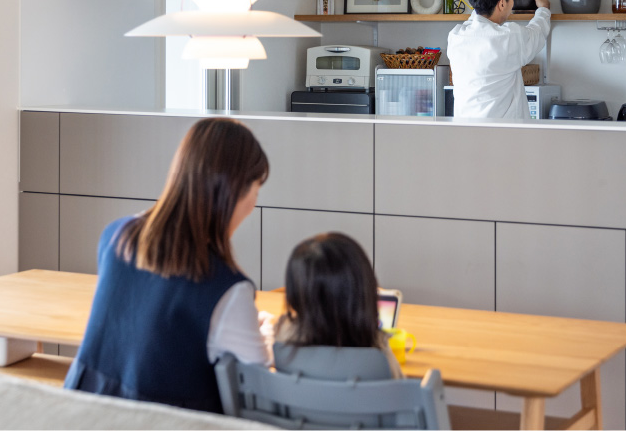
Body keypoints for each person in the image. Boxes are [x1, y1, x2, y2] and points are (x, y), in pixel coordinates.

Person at [63, 117, 271, 413]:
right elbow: (257, 377)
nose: (253, 205)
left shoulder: (114, 235)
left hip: (82, 411)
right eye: (256, 191)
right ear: (234, 192)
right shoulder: (227, 287)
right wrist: (265, 337)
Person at [272, 233, 403, 380]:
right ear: (365, 289)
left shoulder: (282, 341)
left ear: (294, 294)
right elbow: (400, 390)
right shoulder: (378, 356)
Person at [446, 0, 551, 119]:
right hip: (503, 131)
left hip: (466, 129)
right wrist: (544, 10)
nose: (513, 4)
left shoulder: (456, 36)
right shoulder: (509, 36)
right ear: (502, 4)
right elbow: (538, 32)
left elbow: (478, 15)